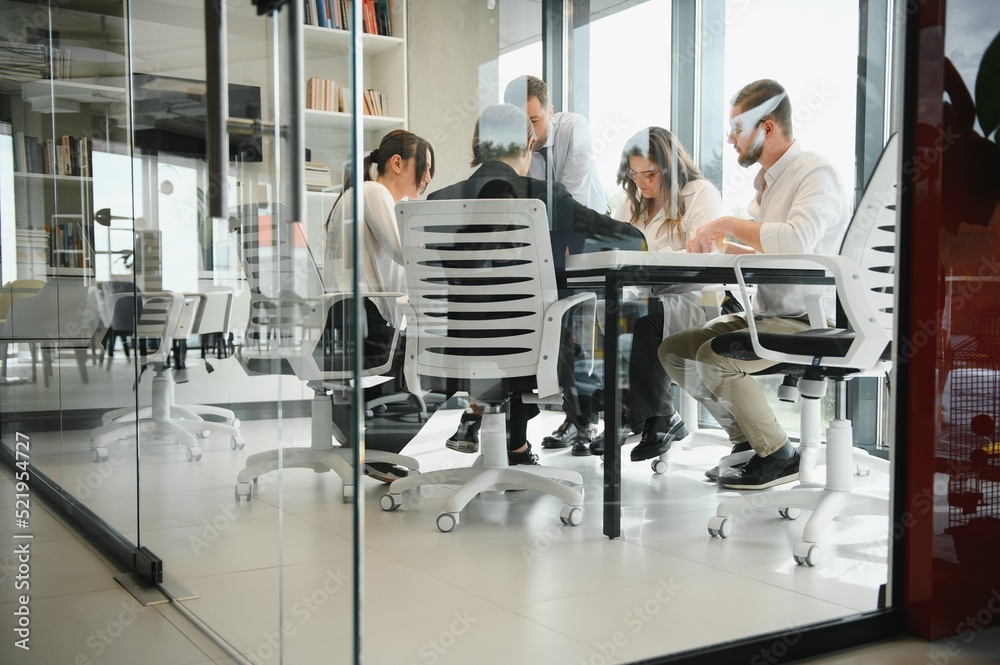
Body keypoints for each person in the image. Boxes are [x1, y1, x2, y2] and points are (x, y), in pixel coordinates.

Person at [659, 79, 850, 490]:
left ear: (766, 127)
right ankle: (749, 441)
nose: (729, 138)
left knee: (714, 357)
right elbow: (763, 252)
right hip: (770, 314)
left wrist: (724, 224)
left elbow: (795, 241)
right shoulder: (766, 186)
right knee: (675, 351)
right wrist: (715, 245)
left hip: (813, 320)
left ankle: (780, 454)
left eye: (736, 128)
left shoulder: (815, 172)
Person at [427, 103, 640, 462]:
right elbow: (628, 241)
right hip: (528, 350)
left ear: (477, 146)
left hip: (453, 349)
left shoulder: (437, 201)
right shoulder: (545, 197)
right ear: (529, 145)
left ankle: (514, 447)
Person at [593, 126, 724, 463]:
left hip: (695, 298)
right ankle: (625, 411)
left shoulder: (700, 194)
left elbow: (704, 257)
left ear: (669, 167)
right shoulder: (633, 202)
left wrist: (649, 259)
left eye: (649, 174)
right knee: (599, 309)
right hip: (648, 295)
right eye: (634, 175)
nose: (641, 182)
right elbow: (614, 245)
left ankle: (660, 417)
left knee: (638, 314)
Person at [323, 129, 435, 481]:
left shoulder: (358, 197)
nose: (429, 179)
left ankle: (357, 425)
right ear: (397, 163)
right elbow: (406, 253)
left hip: (345, 320)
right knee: (436, 363)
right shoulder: (373, 192)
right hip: (358, 323)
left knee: (425, 355)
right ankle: (371, 444)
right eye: (425, 168)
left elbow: (400, 279)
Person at [503, 75, 607, 214]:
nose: (526, 132)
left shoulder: (573, 128)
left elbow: (573, 203)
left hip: (588, 226)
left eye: (534, 121)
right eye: (518, 123)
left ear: (550, 112)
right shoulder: (508, 146)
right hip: (541, 227)